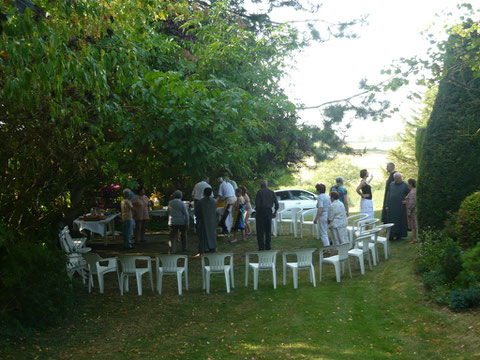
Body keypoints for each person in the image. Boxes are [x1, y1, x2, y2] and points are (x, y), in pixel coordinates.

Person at [255, 180, 279, 250]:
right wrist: (275, 212)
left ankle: (261, 247)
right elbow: (276, 203)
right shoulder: (271, 192)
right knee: (268, 230)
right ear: (267, 185)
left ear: (261, 185)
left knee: (260, 230)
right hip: (268, 211)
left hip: (260, 212)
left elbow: (257, 203)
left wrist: (257, 211)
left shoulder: (259, 192)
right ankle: (268, 246)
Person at [386, 172, 410, 240]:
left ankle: (399, 235)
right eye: (397, 178)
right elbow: (388, 195)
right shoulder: (391, 184)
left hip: (400, 207)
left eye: (400, 178)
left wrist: (406, 201)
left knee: (400, 221)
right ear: (394, 179)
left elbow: (410, 194)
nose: (399, 179)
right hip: (392, 206)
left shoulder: (405, 185)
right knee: (391, 221)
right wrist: (387, 205)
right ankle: (391, 235)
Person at [195, 187, 217, 254]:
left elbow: (197, 212)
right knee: (212, 234)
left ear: (204, 193)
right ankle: (212, 247)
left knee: (203, 235)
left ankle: (204, 248)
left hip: (203, 221)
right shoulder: (214, 201)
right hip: (212, 221)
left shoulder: (200, 202)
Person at [404, 178, 417, 244]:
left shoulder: (412, 192)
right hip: (414, 210)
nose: (407, 185)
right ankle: (414, 237)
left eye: (408, 183)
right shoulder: (414, 190)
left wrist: (409, 211)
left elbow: (412, 203)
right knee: (414, 224)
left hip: (412, 211)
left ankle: (414, 238)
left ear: (411, 184)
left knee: (413, 225)